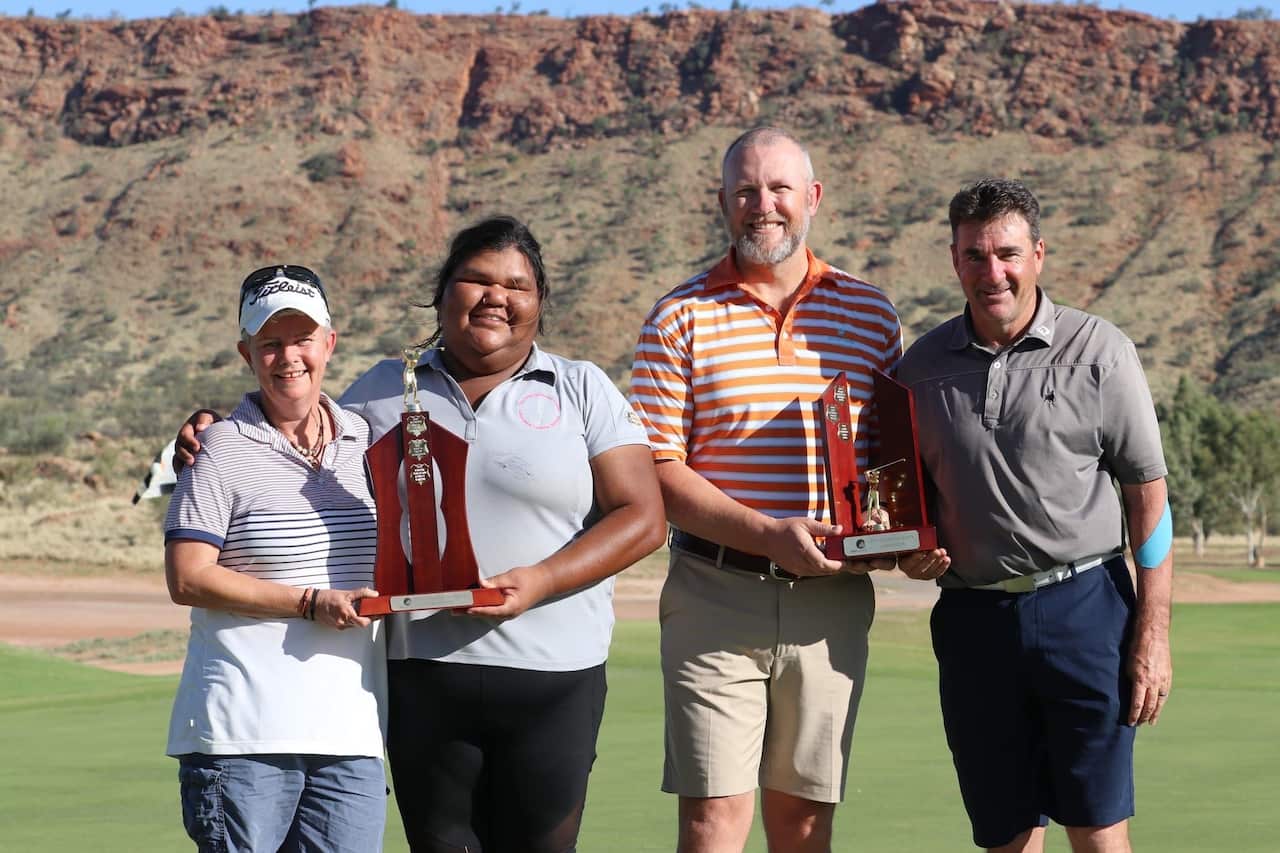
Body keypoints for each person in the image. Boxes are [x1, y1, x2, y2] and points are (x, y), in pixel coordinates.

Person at [178, 216, 666, 853]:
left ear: (539, 302)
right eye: (476, 279)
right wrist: (210, 425)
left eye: (517, 285)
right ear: (442, 293)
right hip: (423, 677)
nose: (497, 296)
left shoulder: (581, 387)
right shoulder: (383, 389)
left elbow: (643, 518)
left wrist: (542, 580)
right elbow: (294, 426)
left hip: (555, 679)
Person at [630, 126, 945, 853]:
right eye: (745, 191)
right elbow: (658, 470)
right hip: (715, 592)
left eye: (777, 189)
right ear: (721, 203)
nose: (761, 206)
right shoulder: (678, 316)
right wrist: (768, 533)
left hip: (831, 601)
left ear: (812, 198)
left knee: (805, 827)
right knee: (713, 823)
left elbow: (883, 462)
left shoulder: (871, 315)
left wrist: (906, 539)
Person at [894, 178, 1174, 853]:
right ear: (954, 259)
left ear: (1039, 253)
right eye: (975, 256)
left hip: (1086, 608)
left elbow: (1150, 498)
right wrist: (910, 552)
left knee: (1099, 827)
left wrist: (1152, 632)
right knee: (1005, 834)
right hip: (972, 621)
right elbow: (907, 508)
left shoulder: (1100, 351)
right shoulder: (918, 370)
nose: (993, 272)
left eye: (1008, 253)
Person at [164, 264, 387, 852]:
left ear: (329, 343)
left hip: (350, 734)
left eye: (302, 339)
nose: (289, 357)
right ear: (247, 353)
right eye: (270, 343)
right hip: (242, 737)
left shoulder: (368, 441)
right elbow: (188, 578)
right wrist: (310, 602)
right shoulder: (217, 447)